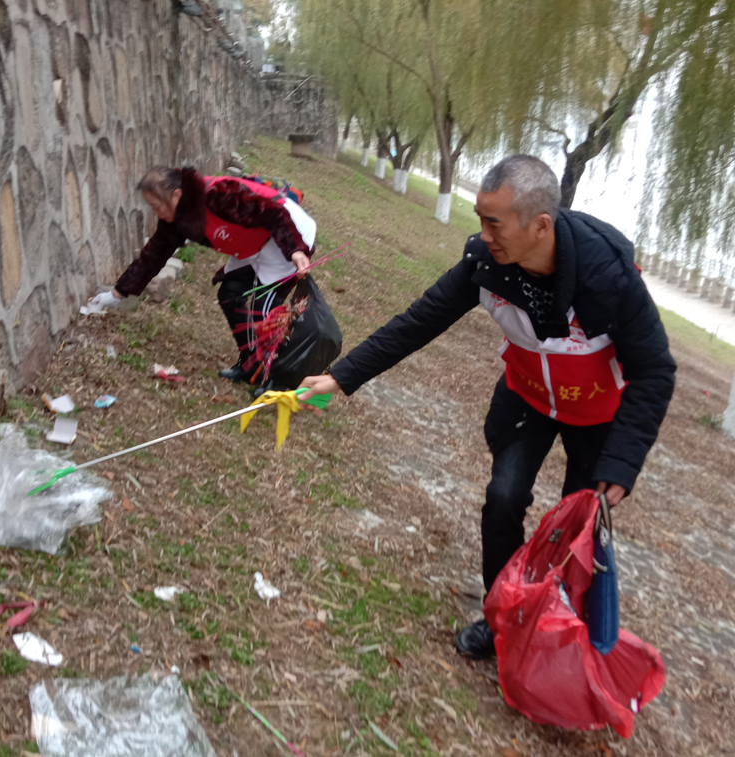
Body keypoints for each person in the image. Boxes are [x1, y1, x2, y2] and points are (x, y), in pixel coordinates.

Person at [299, 155, 676, 660]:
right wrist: (343, 377)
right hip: (527, 399)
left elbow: (655, 371)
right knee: (502, 499)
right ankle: (503, 618)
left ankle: (557, 625)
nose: (482, 234)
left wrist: (623, 462)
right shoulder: (485, 263)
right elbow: (419, 320)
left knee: (573, 528)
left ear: (540, 226)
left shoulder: (609, 279)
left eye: (492, 222)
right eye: (480, 218)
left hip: (596, 416)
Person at [88, 166, 316, 389]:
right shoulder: (176, 218)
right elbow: (153, 256)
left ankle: (278, 379)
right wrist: (117, 293)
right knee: (230, 294)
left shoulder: (219, 195)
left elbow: (274, 213)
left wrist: (294, 249)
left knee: (265, 312)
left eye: (156, 206)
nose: (155, 212)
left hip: (287, 235)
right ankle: (251, 364)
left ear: (177, 195)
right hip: (253, 243)